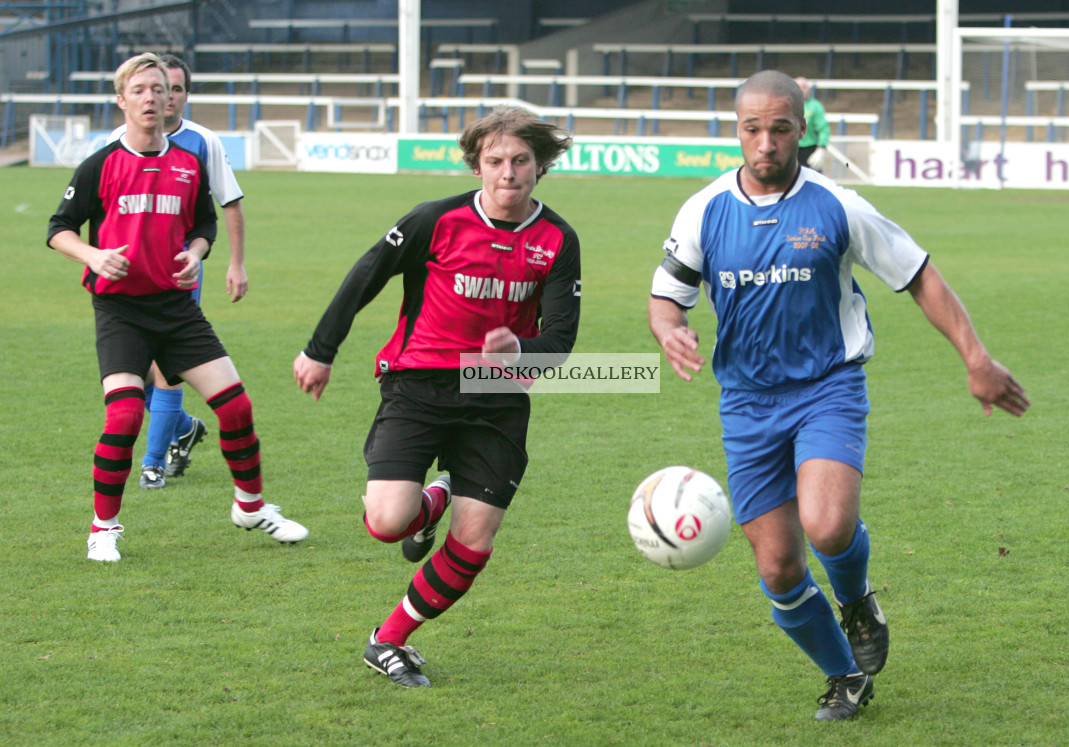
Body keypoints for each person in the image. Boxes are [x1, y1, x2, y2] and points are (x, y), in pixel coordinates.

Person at [648, 70, 1030, 722]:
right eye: (751, 129)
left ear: (802, 129)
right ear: (736, 130)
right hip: (745, 402)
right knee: (778, 567)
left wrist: (977, 358)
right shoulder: (703, 210)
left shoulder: (836, 205)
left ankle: (856, 600)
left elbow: (919, 275)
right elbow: (667, 295)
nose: (765, 143)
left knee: (827, 525)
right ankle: (844, 675)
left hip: (827, 386)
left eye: (779, 129)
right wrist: (669, 328)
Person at [293, 106, 580, 688]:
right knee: (386, 522)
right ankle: (436, 496)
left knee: (475, 540)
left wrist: (519, 351)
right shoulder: (434, 220)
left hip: (496, 395)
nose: (508, 173)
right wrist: (321, 350)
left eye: (521, 160)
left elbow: (561, 342)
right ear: (477, 164)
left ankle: (389, 639)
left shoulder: (557, 240)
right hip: (417, 382)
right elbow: (366, 275)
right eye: (495, 161)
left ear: (540, 166)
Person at [47, 53, 308, 562]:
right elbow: (58, 228)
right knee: (123, 416)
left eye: (160, 89)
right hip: (121, 311)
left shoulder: (188, 163)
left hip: (176, 309)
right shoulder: (101, 162)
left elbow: (203, 226)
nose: (151, 98)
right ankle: (103, 527)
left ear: (173, 98)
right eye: (140, 90)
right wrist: (94, 255)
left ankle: (251, 507)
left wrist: (195, 254)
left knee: (236, 406)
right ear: (121, 100)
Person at [108, 53, 249, 490]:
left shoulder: (202, 142)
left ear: (181, 94)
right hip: (125, 276)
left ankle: (152, 462)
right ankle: (183, 427)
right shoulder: (115, 142)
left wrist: (235, 263)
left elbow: (227, 204)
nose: (163, 98)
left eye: (174, 89)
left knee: (166, 366)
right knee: (138, 370)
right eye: (151, 88)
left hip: (179, 271)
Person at [795, 76, 829, 170]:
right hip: (792, 148)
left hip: (810, 149)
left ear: (809, 89)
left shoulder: (815, 106)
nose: (802, 90)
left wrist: (822, 147)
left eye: (804, 87)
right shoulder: (787, 105)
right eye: (798, 87)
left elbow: (823, 128)